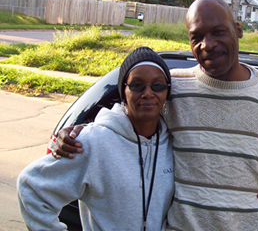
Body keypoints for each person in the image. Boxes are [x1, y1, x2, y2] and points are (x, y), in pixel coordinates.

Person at [55, 0, 258, 230]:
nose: (207, 44)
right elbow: (128, 121)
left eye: (218, 32)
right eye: (196, 37)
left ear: (238, 29)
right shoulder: (174, 88)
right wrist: (81, 133)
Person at [17, 47, 174, 230]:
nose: (148, 93)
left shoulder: (172, 143)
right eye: (137, 85)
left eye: (158, 86)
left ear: (166, 92)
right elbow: (31, 187)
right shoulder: (94, 142)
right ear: (124, 91)